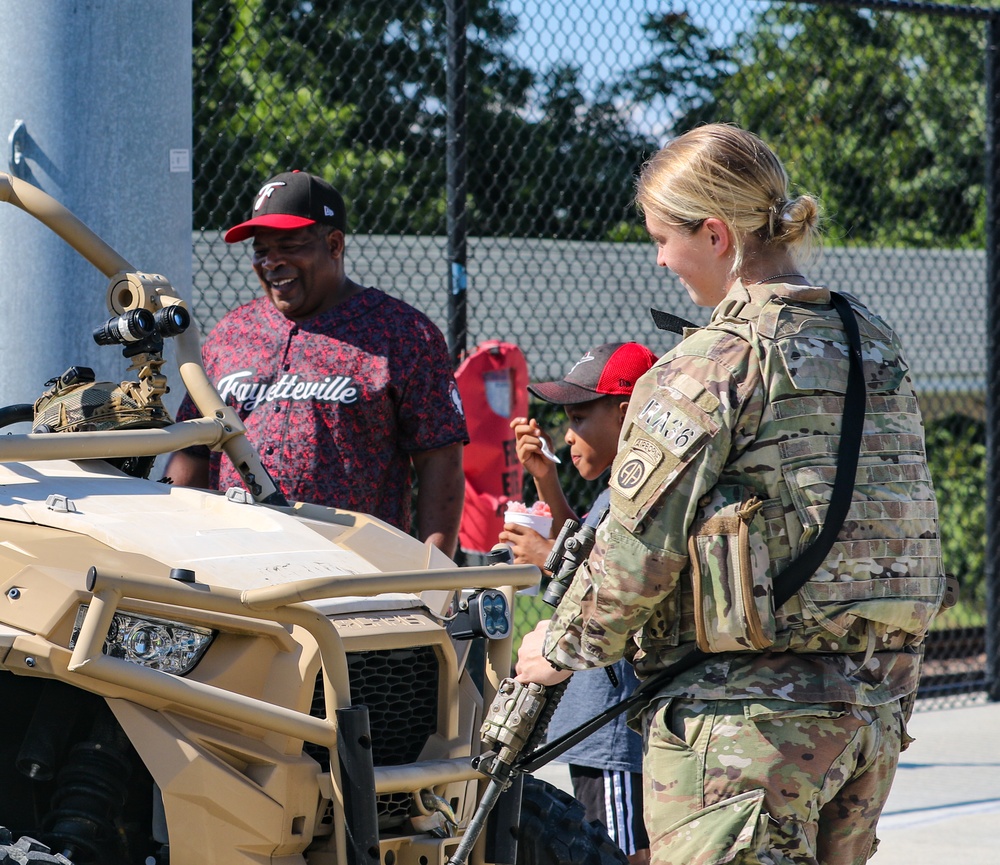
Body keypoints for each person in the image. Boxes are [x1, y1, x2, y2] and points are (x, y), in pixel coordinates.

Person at [515, 123, 947, 865]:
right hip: (872, 704)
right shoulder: (868, 337)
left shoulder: (714, 360)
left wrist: (557, 646)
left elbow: (635, 550)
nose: (659, 259)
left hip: (747, 730)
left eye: (663, 237)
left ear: (715, 233)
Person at [163, 171, 468, 555]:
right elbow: (192, 451)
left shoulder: (403, 334)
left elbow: (439, 461)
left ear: (335, 244)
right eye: (261, 251)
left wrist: (433, 574)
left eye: (289, 245)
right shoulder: (231, 333)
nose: (271, 262)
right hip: (236, 563)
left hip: (355, 572)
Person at [501, 341, 657, 865]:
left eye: (579, 417)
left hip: (613, 729)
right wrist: (547, 478)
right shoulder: (616, 491)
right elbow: (584, 550)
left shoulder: (636, 498)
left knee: (621, 855)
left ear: (626, 412)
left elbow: (613, 586)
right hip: (594, 725)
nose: (567, 434)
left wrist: (546, 555)